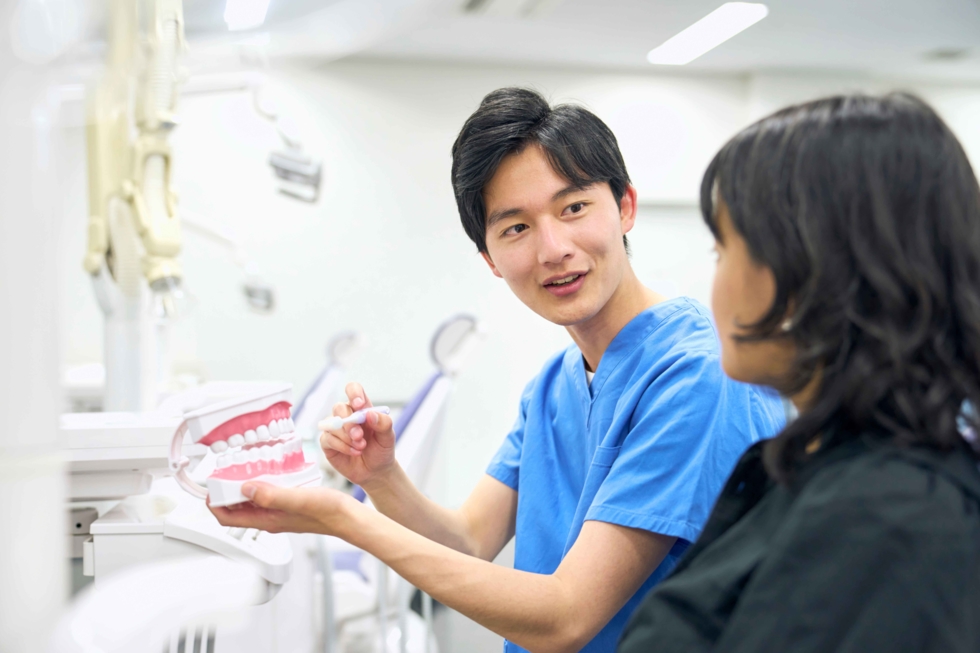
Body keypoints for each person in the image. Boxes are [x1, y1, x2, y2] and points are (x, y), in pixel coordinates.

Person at [210, 87, 784, 652]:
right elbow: (469, 540)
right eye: (516, 228)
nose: (552, 248)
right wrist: (380, 479)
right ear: (489, 258)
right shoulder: (555, 386)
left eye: (574, 207)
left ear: (625, 206)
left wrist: (344, 519)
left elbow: (566, 617)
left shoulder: (696, 375)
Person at [619, 93, 980, 653]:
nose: (714, 285)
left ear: (809, 271)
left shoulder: (888, 520)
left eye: (723, 251)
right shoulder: (821, 464)